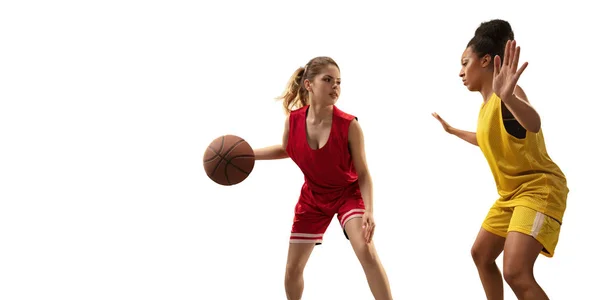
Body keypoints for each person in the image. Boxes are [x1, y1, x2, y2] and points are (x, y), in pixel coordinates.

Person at [432, 19, 569, 300]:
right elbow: (487, 138)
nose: (460, 72)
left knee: (516, 272)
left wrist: (509, 96)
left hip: (538, 190)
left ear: (484, 61)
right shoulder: (485, 108)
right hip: (510, 196)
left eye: (464, 62)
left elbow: (532, 123)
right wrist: (452, 130)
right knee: (481, 254)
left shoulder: (508, 95)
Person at [253, 56, 393, 300]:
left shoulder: (349, 125)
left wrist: (369, 210)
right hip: (313, 198)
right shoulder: (293, 121)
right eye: (327, 80)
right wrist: (249, 155)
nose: (335, 87)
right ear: (309, 84)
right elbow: (287, 149)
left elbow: (363, 173)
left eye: (338, 82)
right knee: (292, 270)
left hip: (347, 195)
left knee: (367, 252)